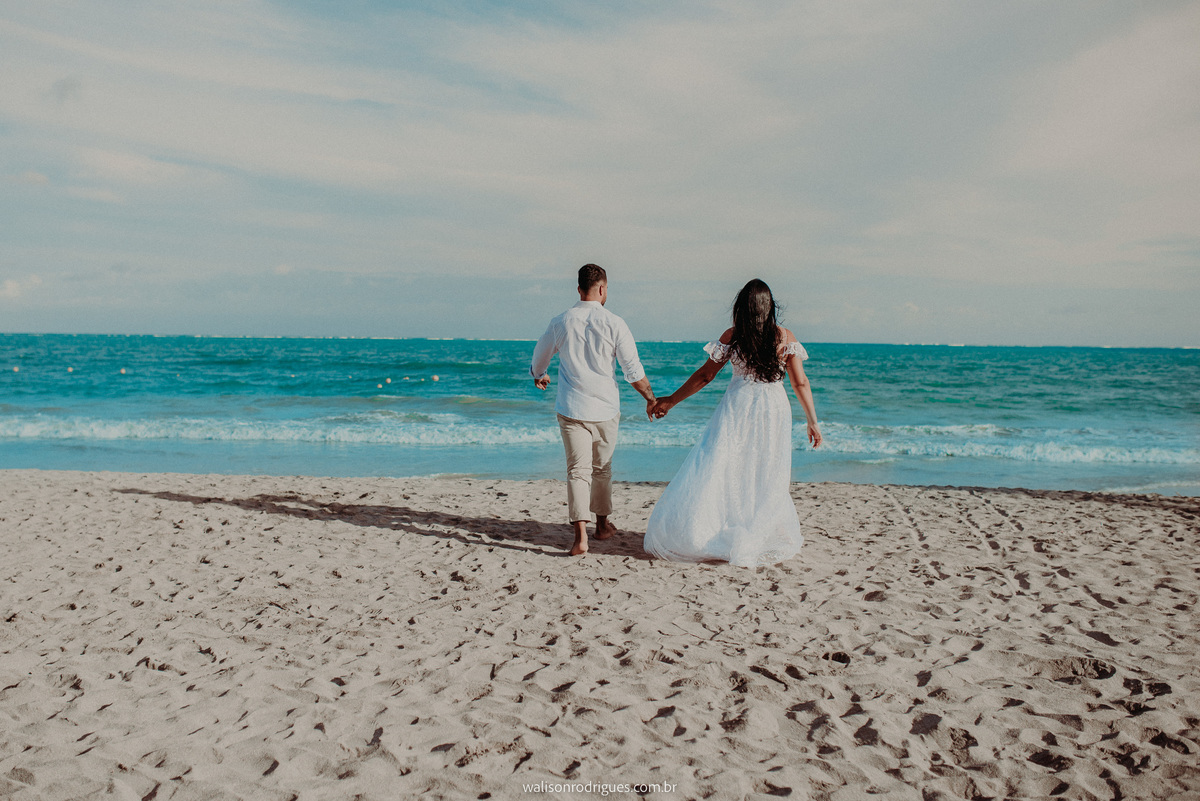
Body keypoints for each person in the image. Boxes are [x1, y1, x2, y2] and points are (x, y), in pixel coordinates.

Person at [644, 279, 821, 567]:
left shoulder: (734, 335)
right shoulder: (785, 337)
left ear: (742, 307)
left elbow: (705, 376)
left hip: (738, 406)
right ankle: (756, 531)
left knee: (723, 464)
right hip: (773, 409)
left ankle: (719, 528)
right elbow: (800, 382)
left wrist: (670, 400)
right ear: (769, 307)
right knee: (764, 470)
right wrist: (812, 421)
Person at [531, 264, 657, 556]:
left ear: (579, 289)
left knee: (577, 471)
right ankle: (601, 526)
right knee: (602, 470)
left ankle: (580, 539)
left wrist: (540, 374)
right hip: (605, 409)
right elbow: (633, 371)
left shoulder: (560, 321)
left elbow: (540, 358)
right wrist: (650, 398)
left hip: (572, 408)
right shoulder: (615, 323)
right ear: (602, 289)